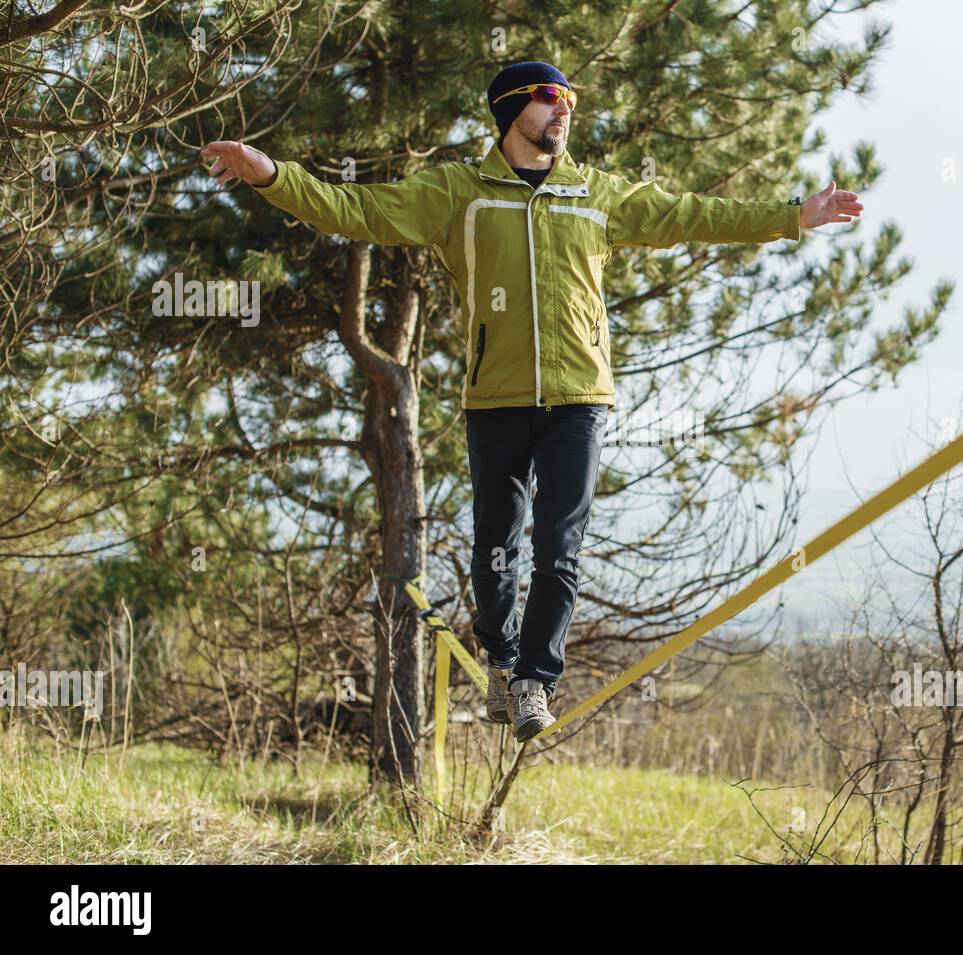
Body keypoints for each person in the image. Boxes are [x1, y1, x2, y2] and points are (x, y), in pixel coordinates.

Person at [200, 60, 863, 741]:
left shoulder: (594, 193)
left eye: (570, 100)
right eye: (552, 99)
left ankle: (533, 682)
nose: (565, 111)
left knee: (560, 547)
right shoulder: (459, 193)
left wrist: (792, 217)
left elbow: (691, 215)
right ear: (514, 109)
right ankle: (501, 657)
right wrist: (271, 176)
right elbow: (359, 208)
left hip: (580, 397)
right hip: (497, 397)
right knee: (496, 546)